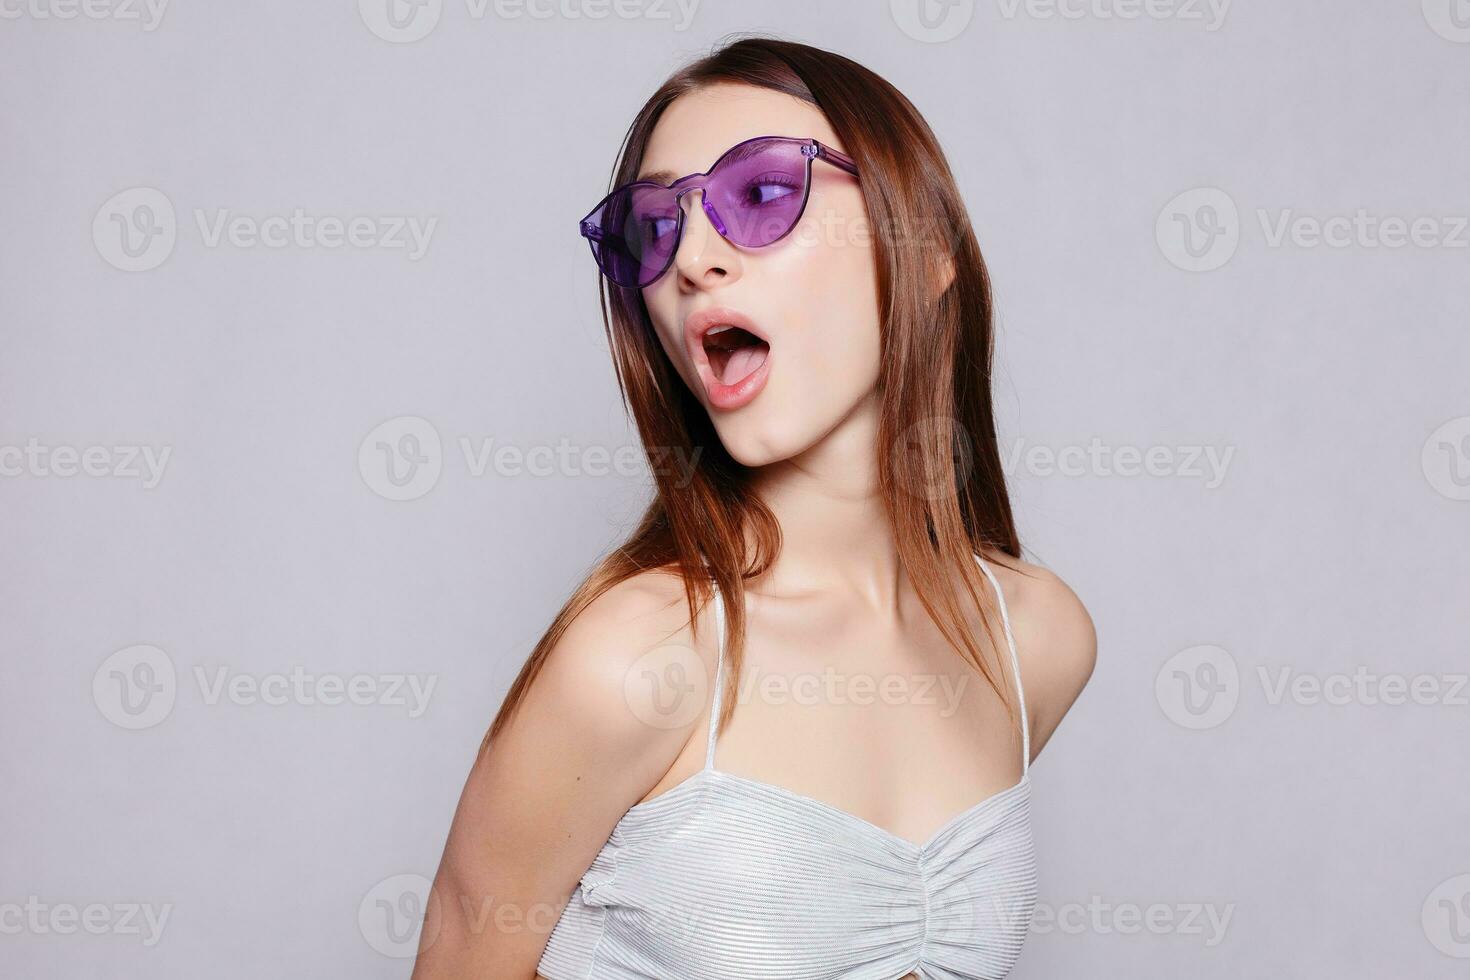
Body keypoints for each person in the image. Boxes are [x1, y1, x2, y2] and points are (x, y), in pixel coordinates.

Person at [411, 35, 1096, 980]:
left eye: (764, 194)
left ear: (926, 250)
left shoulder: (1038, 641)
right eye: (653, 228)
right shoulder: (638, 660)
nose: (692, 258)